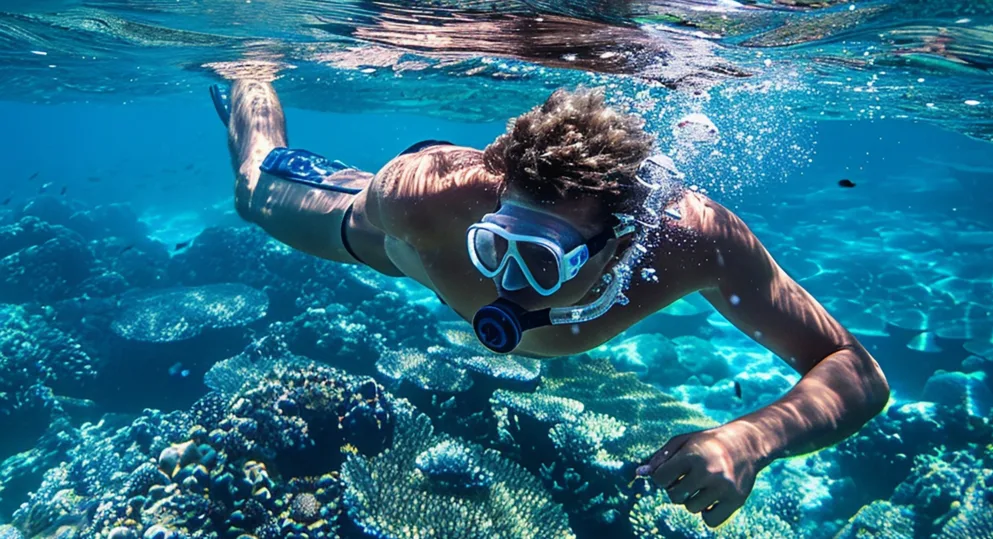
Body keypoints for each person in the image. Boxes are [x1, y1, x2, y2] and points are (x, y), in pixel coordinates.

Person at [210, 79, 890, 527]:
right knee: (251, 191)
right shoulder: (423, 197)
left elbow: (855, 370)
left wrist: (751, 438)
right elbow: (430, 205)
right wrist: (466, 235)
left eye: (539, 259)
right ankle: (249, 83)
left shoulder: (695, 243)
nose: (507, 282)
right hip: (390, 241)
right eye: (494, 245)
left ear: (620, 243)